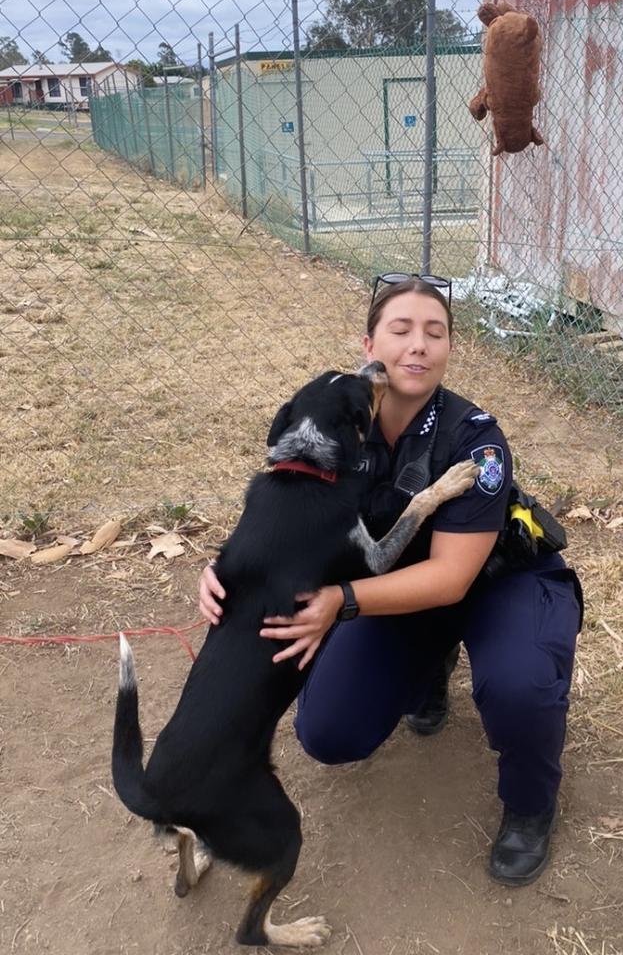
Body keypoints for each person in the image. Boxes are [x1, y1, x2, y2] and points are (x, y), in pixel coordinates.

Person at [199, 274, 583, 886]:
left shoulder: (475, 438)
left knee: (520, 684)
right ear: (369, 343)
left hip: (499, 583)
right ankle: (428, 672)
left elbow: (452, 578)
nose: (418, 346)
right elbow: (284, 514)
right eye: (400, 330)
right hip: (399, 590)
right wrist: (223, 571)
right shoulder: (337, 420)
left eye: (435, 333)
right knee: (327, 733)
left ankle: (531, 804)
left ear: (450, 348)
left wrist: (343, 600)